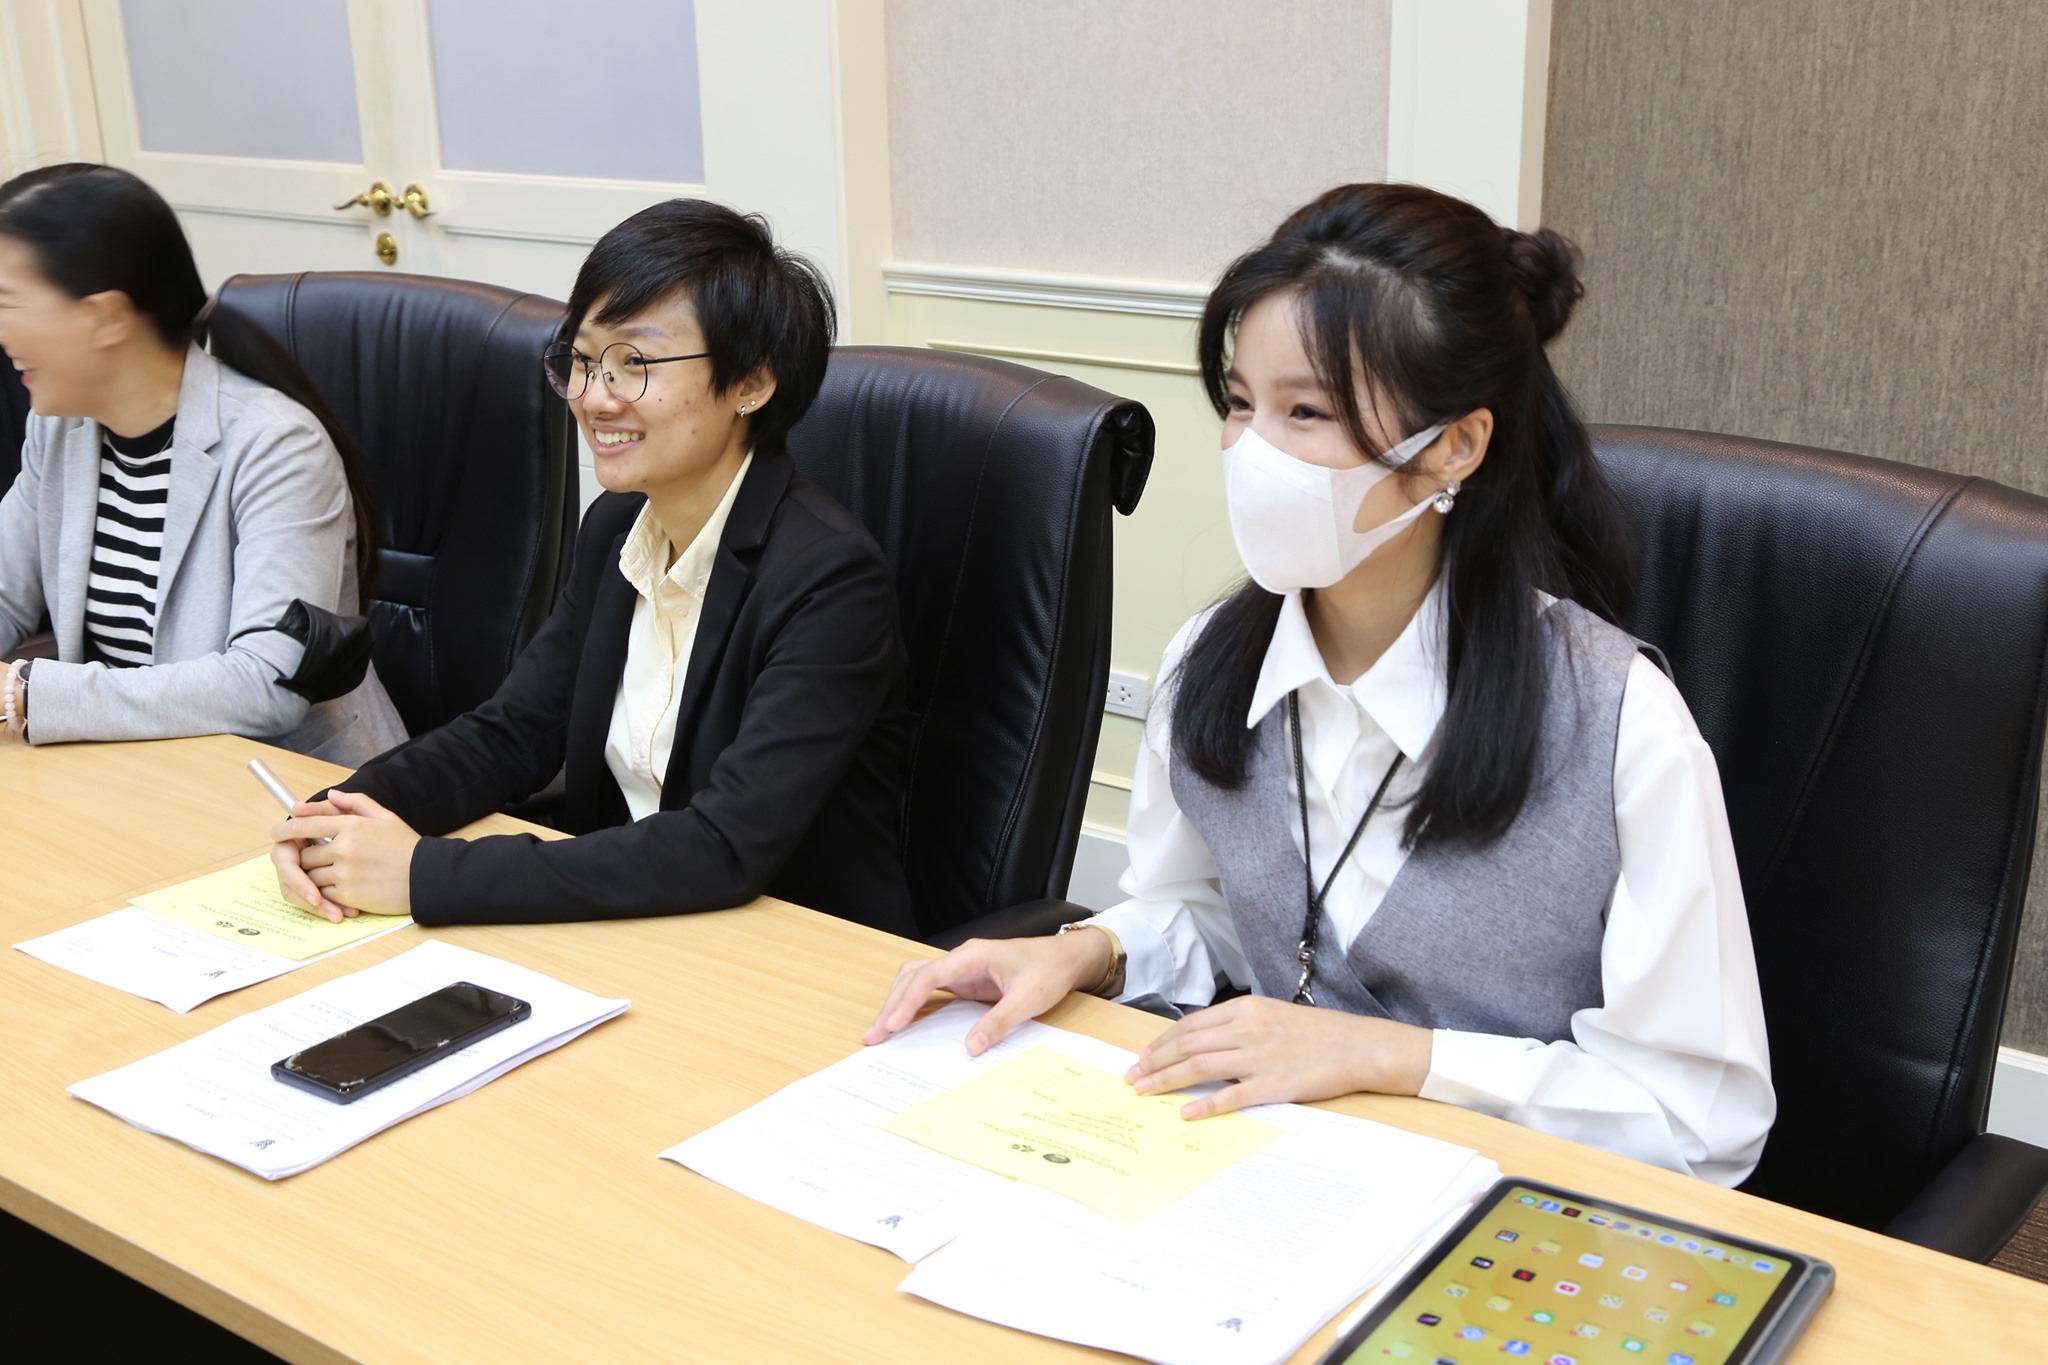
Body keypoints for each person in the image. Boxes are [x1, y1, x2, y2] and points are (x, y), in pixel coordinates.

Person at [866, 184, 1774, 1185]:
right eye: (1239, 404)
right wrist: (1084, 951)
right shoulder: (1208, 661)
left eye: (1306, 412)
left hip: (1496, 1211)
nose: (1252, 451)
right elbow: (1208, 913)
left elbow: (1700, 1123)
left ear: (1455, 446)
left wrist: (1398, 1057)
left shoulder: (1619, 721)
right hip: (1263, 1176)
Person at [266, 199, 915, 936]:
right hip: (632, 924)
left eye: (634, 364)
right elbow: (514, 732)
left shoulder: (829, 580)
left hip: (790, 947)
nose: (594, 398)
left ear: (751, 383)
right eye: (580, 361)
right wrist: (341, 814)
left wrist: (421, 874)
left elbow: (723, 846)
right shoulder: (617, 527)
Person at [0, 164, 405, 760]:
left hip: (284, 786)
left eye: (9, 302)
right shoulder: (61, 428)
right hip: (136, 770)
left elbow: (268, 683)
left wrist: (33, 693)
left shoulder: (276, 444)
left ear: (106, 317)